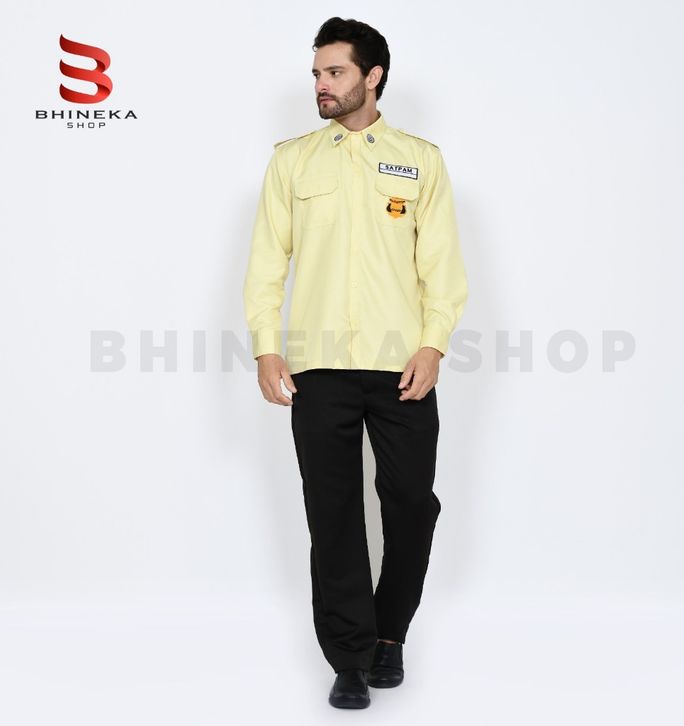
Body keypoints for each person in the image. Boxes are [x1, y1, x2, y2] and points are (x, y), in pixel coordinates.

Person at [243, 16, 468, 709]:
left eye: (335, 72)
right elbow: (267, 262)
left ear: (373, 76)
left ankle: (388, 635)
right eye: (317, 73)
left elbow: (442, 267)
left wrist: (433, 344)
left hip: (403, 366)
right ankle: (348, 657)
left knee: (411, 506)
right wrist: (267, 345)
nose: (321, 84)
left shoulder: (420, 160)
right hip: (318, 369)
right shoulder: (292, 162)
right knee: (333, 513)